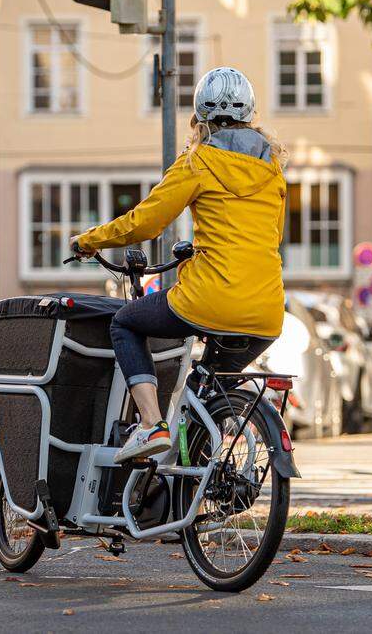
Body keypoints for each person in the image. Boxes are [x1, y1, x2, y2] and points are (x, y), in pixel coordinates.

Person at [70, 67, 288, 462]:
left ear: (200, 115)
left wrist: (89, 240)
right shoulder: (272, 168)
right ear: (250, 113)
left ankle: (151, 423)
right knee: (206, 390)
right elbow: (272, 236)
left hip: (209, 299)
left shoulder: (198, 161)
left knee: (125, 322)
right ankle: (196, 479)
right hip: (268, 312)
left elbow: (146, 222)